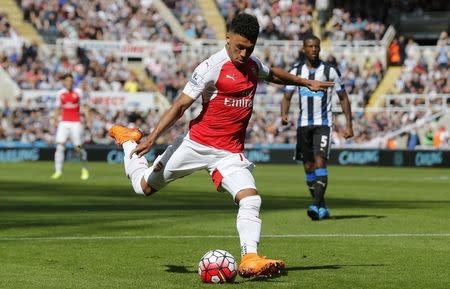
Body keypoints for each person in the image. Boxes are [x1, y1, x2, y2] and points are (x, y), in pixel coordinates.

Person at [109, 13, 333, 278]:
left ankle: (250, 258)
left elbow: (272, 74)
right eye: (239, 47)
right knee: (143, 187)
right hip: (195, 145)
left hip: (229, 153)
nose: (243, 53)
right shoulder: (211, 67)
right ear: (227, 37)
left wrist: (306, 82)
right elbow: (181, 105)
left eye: (249, 49)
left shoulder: (251, 64)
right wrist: (152, 137)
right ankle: (127, 141)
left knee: (251, 199)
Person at [281, 35, 353, 221]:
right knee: (308, 167)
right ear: (304, 49)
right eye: (310, 46)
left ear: (320, 49)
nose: (313, 49)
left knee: (320, 163)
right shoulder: (296, 70)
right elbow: (287, 96)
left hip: (323, 124)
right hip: (303, 125)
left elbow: (343, 97)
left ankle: (315, 204)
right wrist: (284, 114)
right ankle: (321, 205)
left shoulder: (329, 71)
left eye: (316, 46)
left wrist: (349, 125)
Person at [51, 74, 90, 180]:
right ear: (64, 82)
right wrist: (54, 120)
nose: (69, 83)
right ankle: (58, 171)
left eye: (71, 81)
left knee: (78, 147)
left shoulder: (78, 92)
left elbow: (85, 107)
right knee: (59, 146)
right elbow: (57, 108)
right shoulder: (60, 93)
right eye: (67, 81)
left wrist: (88, 121)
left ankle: (84, 168)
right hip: (64, 123)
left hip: (75, 123)